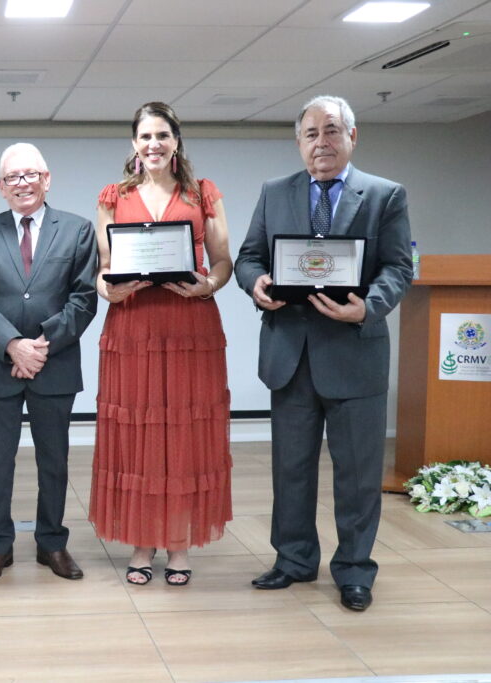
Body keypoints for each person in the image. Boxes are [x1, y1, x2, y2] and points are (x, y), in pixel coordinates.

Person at [235, 95, 412, 611]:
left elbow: (399, 267)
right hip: (290, 354)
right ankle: (293, 561)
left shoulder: (385, 195)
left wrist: (368, 308)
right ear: (299, 143)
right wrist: (257, 283)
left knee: (358, 474)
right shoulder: (275, 193)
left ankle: (355, 570)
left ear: (352, 137)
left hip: (355, 354)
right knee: (291, 468)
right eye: (310, 134)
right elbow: (249, 256)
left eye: (331, 131)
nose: (321, 143)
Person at [87, 102, 233, 587]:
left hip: (189, 323)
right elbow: (104, 266)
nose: (154, 144)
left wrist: (209, 286)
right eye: (145, 136)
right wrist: (106, 287)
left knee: (183, 433)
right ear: (134, 143)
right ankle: (141, 544)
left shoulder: (203, 193)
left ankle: (178, 545)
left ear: (176, 141)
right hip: (133, 327)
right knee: (138, 434)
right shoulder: (113, 196)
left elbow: (222, 262)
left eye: (163, 136)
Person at [0, 142, 98, 583]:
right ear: (1, 188)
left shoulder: (77, 230)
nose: (22, 183)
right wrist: (12, 345)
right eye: (12, 178)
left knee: (53, 461)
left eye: (29, 174)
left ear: (47, 179)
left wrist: (40, 346)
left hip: (53, 365)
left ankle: (51, 543)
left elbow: (84, 298)